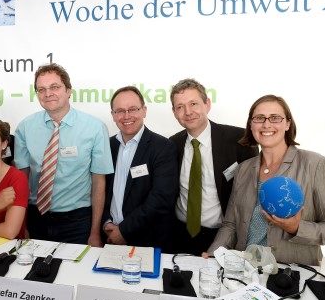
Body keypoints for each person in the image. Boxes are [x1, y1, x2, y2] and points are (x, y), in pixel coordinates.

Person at [206, 95, 325, 265]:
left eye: (275, 118)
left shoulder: (315, 164)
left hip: (292, 274)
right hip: (244, 271)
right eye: (259, 118)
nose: (266, 124)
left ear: (287, 124)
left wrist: (296, 228)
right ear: (251, 125)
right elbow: (230, 224)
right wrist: (214, 255)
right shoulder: (244, 169)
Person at [15, 63, 114, 246]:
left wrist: (94, 233)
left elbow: (99, 183)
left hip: (77, 222)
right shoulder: (25, 128)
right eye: (41, 89)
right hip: (35, 219)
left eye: (54, 87)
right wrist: (21, 225)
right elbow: (21, 180)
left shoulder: (95, 128)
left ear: (68, 90)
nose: (48, 93)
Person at [169, 78, 258, 255]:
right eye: (180, 107)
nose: (188, 112)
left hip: (223, 237)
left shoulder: (240, 140)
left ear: (207, 104)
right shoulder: (171, 145)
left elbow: (253, 194)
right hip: (178, 235)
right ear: (174, 112)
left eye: (193, 103)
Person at [102, 86, 178, 252]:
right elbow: (100, 189)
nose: (127, 116)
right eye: (120, 111)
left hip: (148, 242)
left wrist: (123, 231)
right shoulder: (106, 146)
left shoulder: (163, 148)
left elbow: (161, 199)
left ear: (144, 111)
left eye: (133, 109)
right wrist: (106, 221)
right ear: (113, 115)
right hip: (109, 238)